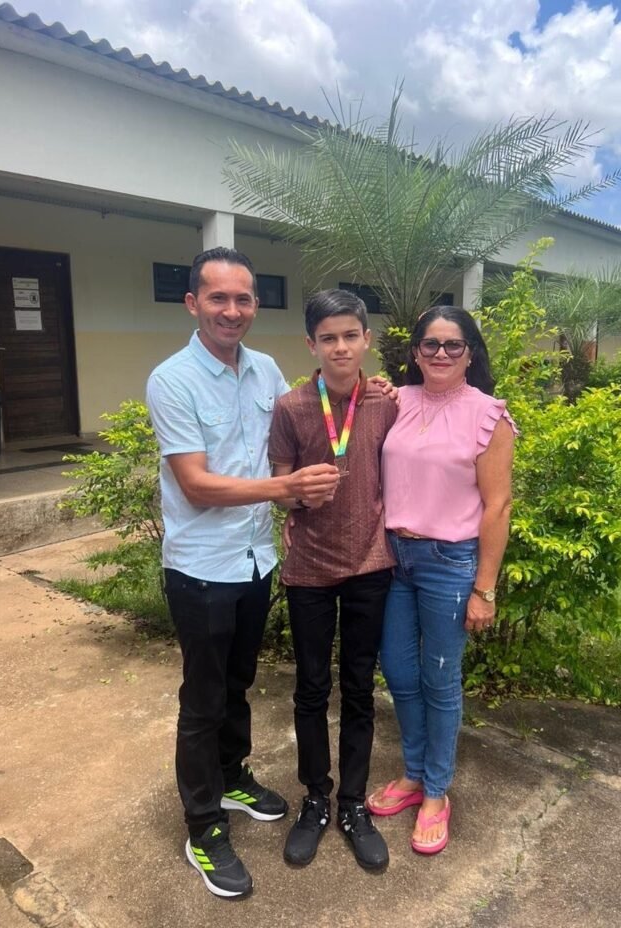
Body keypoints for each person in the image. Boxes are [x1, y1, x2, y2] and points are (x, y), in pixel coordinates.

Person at [146, 247, 340, 900]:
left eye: (244, 298)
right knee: (202, 700)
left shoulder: (266, 371)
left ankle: (231, 776)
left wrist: (377, 389)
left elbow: (311, 411)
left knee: (238, 683)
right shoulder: (172, 380)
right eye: (218, 298)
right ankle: (203, 827)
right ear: (192, 303)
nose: (232, 310)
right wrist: (285, 489)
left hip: (255, 560)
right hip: (201, 568)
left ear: (255, 305)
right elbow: (197, 485)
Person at [367, 306, 516, 856]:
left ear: (470, 353)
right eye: (430, 344)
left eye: (454, 345)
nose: (441, 354)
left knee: (439, 678)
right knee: (398, 670)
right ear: (415, 352)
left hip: (449, 563)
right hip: (393, 557)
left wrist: (485, 589)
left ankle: (435, 791)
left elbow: (498, 507)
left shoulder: (489, 416)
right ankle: (412, 773)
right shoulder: (395, 401)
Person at [268, 289, 397, 872]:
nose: (340, 347)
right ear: (311, 344)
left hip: (370, 563)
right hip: (310, 568)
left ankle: (353, 805)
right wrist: (297, 495)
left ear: (366, 339)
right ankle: (316, 798)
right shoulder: (292, 407)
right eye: (328, 338)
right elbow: (280, 485)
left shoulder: (386, 402)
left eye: (350, 336)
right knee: (311, 688)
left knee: (360, 688)